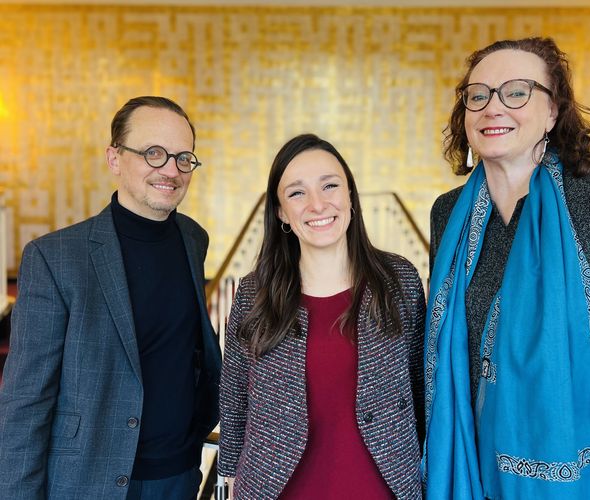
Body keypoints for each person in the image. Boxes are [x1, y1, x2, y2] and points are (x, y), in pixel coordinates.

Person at [424, 37, 590, 500]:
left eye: (516, 92)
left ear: (553, 111)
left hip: (588, 467)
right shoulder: (447, 214)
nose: (493, 108)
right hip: (478, 468)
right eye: (478, 95)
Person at [0, 96, 222, 500]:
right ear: (115, 158)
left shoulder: (193, 239)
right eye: (154, 153)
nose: (170, 170)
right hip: (88, 481)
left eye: (183, 157)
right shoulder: (54, 257)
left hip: (179, 475)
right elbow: (25, 403)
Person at [218, 133, 425, 499]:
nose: (317, 204)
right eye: (297, 193)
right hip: (275, 489)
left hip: (383, 488)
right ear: (281, 211)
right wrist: (230, 476)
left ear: (349, 196)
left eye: (330, 186)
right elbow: (235, 395)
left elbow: (422, 384)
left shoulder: (398, 280)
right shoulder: (254, 293)